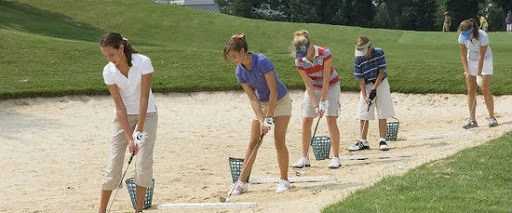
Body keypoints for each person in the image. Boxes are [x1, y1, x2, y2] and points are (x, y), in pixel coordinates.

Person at [223, 33, 292, 194]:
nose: (233, 60)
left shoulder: (262, 61)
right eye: (230, 57)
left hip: (280, 100)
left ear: (242, 51)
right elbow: (253, 98)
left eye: (233, 56)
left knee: (279, 141)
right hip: (261, 102)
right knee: (253, 141)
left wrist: (269, 118)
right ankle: (241, 183)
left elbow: (274, 91)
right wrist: (261, 119)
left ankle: (284, 180)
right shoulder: (239, 72)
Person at [98, 32, 158, 213]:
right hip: (123, 117)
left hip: (147, 115)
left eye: (112, 54)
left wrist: (138, 133)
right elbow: (119, 107)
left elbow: (144, 99)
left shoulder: (143, 62)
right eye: (106, 55)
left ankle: (138, 210)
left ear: (121, 47)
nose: (110, 59)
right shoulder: (108, 71)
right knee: (114, 163)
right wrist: (129, 138)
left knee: (143, 164)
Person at [290, 30, 341, 169]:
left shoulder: (325, 53)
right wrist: (315, 106)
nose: (303, 56)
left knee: (330, 118)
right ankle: (304, 157)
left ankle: (336, 157)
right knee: (306, 119)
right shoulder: (299, 61)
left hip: (331, 84)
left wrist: (323, 101)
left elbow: (326, 79)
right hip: (314, 87)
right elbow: (308, 84)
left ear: (310, 46)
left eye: (304, 52)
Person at [348, 36, 395, 152]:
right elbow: (361, 79)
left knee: (382, 110)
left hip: (381, 82)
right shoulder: (358, 59)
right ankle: (363, 141)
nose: (362, 54)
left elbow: (381, 72)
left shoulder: (379, 52)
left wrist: (374, 89)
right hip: (367, 83)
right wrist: (364, 95)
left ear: (370, 47)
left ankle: (382, 140)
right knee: (364, 112)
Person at [457, 19, 499, 129]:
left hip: (485, 59)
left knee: (484, 88)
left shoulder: (483, 36)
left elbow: (481, 56)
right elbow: (463, 55)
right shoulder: (462, 37)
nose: (465, 38)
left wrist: (479, 74)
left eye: (467, 35)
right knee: (471, 89)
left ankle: (492, 118)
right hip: (471, 59)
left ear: (473, 31)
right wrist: (467, 72)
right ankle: (472, 120)